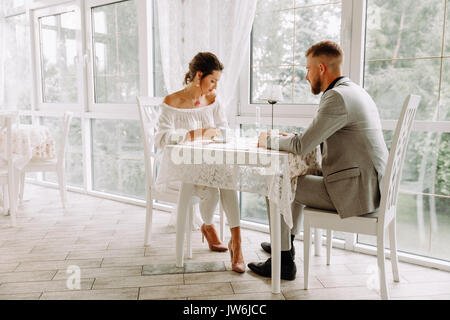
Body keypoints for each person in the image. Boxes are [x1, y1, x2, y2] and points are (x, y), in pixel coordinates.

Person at [247, 41, 389, 280]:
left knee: (278, 183)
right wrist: (291, 137)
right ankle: (285, 243)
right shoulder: (354, 91)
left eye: (308, 69)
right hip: (370, 187)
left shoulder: (336, 97)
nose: (306, 76)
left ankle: (282, 262)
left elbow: (303, 146)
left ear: (321, 68)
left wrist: (268, 140)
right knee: (294, 179)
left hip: (355, 192)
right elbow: (312, 137)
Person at [155, 52, 245, 273]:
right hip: (182, 166)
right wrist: (196, 134)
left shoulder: (212, 101)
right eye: (212, 80)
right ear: (198, 75)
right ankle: (209, 225)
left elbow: (224, 129)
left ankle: (237, 243)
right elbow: (161, 140)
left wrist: (217, 134)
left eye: (217, 82)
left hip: (209, 161)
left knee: (227, 178)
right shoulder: (172, 101)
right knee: (215, 189)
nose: (215, 87)